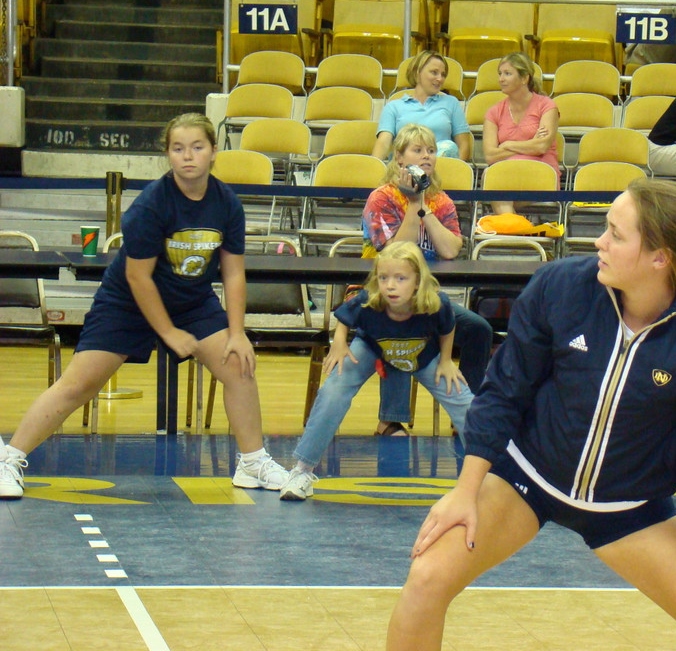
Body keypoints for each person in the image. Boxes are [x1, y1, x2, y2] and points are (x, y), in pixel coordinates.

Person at [386, 177, 676, 650]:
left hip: (630, 510)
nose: (598, 242)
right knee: (425, 579)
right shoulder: (560, 285)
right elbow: (504, 391)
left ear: (660, 257)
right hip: (526, 480)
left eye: (616, 235)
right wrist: (465, 491)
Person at [0, 113, 287, 499]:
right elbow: (138, 277)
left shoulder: (227, 204)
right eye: (178, 148)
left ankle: (253, 463)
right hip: (128, 302)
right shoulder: (151, 204)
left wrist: (237, 333)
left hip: (192, 302)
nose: (188, 156)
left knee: (239, 365)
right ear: (168, 154)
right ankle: (9, 458)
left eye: (197, 147)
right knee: (80, 383)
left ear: (214, 152)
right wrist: (167, 333)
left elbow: (233, 273)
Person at [279, 241, 475, 501]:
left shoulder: (436, 302)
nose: (390, 285)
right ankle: (302, 470)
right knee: (335, 388)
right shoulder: (369, 300)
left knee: (462, 399)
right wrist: (339, 344)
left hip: (421, 354)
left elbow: (448, 327)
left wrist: (447, 360)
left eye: (400, 278)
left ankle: (494, 470)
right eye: (383, 278)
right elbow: (344, 317)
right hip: (372, 348)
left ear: (417, 281)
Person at [362, 123, 492, 437]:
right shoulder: (381, 199)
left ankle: (466, 412)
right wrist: (411, 205)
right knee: (400, 323)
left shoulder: (441, 200)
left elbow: (450, 249)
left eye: (431, 150)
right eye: (418, 150)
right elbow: (395, 253)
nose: (427, 157)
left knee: (478, 329)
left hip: (425, 297)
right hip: (383, 296)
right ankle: (391, 419)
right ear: (399, 157)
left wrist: (423, 207)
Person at [481, 51, 559, 214]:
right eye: (500, 74)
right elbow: (490, 156)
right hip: (506, 175)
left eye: (507, 74)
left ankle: (511, 234)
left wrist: (508, 145)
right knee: (491, 175)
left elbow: (542, 147)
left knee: (500, 193)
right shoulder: (494, 112)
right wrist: (529, 144)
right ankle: (516, 233)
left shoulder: (546, 106)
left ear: (524, 78)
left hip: (540, 173)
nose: (501, 79)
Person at [373, 50, 472, 163]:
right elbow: (383, 142)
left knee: (449, 146)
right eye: (434, 72)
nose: (440, 78)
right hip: (404, 171)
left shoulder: (451, 103)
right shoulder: (393, 107)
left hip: (439, 171)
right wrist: (373, 169)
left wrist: (455, 173)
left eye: (443, 74)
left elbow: (464, 146)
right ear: (417, 73)